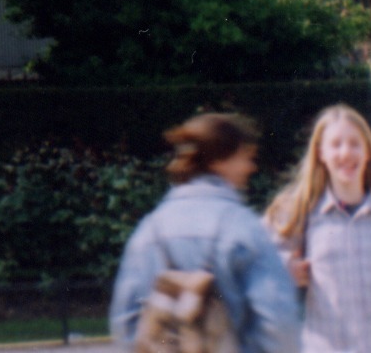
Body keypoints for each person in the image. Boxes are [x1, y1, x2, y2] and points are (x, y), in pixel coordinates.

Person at [111, 112, 300, 353]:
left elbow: (126, 320)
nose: (251, 167)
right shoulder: (244, 227)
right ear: (218, 160)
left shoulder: (149, 230)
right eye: (245, 157)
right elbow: (277, 320)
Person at [265, 105, 371, 353]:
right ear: (321, 153)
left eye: (355, 143)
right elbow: (256, 261)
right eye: (336, 144)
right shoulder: (299, 212)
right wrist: (284, 268)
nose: (346, 153)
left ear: (368, 150)